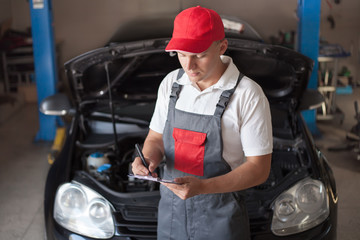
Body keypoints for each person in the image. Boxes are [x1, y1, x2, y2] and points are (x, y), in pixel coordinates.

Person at [132, 6, 273, 240]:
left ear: (222, 46)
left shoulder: (247, 94)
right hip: (172, 212)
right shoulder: (171, 84)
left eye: (199, 55)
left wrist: (203, 188)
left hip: (221, 215)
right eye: (182, 54)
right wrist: (147, 160)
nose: (189, 66)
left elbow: (259, 169)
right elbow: (155, 138)